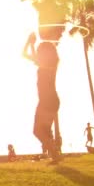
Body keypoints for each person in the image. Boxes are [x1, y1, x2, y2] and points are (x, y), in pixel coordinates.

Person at [23, 22, 66, 162]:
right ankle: (56, 156)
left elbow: (36, 59)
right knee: (44, 131)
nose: (39, 52)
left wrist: (32, 44)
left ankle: (55, 155)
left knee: (38, 131)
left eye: (41, 50)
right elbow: (24, 54)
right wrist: (29, 42)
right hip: (48, 100)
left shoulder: (50, 64)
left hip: (49, 100)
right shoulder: (46, 63)